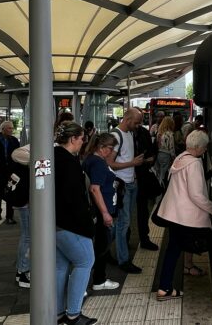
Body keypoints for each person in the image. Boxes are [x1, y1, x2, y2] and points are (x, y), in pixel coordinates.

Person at [155, 130, 212, 301]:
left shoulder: (180, 158)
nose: (205, 150)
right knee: (177, 249)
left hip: (174, 214)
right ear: (197, 147)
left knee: (173, 249)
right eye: (204, 147)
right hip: (185, 216)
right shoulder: (194, 163)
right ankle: (164, 288)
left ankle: (168, 283)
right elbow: (196, 195)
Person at [54, 121, 97, 325]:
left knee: (60, 267)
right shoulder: (69, 162)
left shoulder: (52, 156)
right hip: (70, 223)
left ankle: (57, 312)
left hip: (53, 223)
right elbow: (74, 198)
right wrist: (88, 223)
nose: (83, 143)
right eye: (82, 139)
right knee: (85, 262)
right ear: (73, 139)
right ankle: (73, 314)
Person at [82, 132, 120, 291]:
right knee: (102, 246)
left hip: (98, 209)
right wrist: (105, 213)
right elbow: (95, 188)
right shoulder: (98, 163)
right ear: (101, 147)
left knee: (99, 245)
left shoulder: (90, 159)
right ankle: (99, 279)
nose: (111, 152)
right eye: (110, 148)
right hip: (101, 210)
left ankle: (96, 278)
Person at [108, 108, 145, 274]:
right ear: (128, 119)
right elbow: (110, 163)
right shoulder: (116, 136)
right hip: (121, 185)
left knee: (122, 223)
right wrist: (133, 163)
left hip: (130, 183)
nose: (138, 126)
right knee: (124, 223)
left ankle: (102, 248)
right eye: (136, 122)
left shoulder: (129, 133)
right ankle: (123, 260)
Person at [134, 122, 159, 251]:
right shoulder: (125, 134)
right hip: (132, 177)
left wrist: (148, 160)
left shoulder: (142, 133)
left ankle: (144, 238)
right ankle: (142, 239)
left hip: (141, 177)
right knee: (128, 214)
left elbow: (151, 152)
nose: (137, 124)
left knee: (142, 210)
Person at [10, 144, 32, 288]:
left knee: (27, 236)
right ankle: (24, 272)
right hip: (26, 202)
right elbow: (16, 153)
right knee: (28, 236)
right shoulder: (36, 146)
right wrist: (39, 160)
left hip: (26, 201)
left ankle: (21, 270)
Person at [154, 116, 176, 186]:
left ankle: (158, 186)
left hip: (158, 154)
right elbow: (171, 148)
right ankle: (162, 188)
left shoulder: (159, 133)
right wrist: (174, 157)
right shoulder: (170, 134)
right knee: (163, 174)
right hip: (166, 155)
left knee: (158, 173)